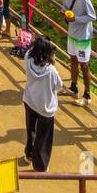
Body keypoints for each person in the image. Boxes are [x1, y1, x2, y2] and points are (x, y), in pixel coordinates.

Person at [22, 35, 63, 171]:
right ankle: (40, 165)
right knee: (43, 137)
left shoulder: (28, 57)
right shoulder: (51, 71)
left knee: (31, 130)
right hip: (45, 107)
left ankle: (29, 154)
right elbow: (59, 85)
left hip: (30, 101)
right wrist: (53, 63)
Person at [60, 0, 97, 105]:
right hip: (72, 33)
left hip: (83, 36)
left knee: (84, 65)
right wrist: (65, 13)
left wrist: (76, 18)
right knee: (73, 59)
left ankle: (87, 95)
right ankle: (73, 87)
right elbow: (64, 8)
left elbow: (92, 16)